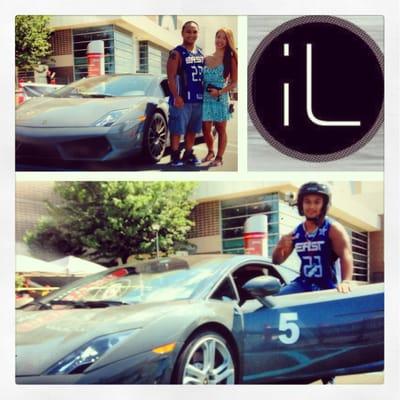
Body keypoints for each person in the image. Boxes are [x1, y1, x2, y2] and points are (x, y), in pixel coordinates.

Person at [272, 182, 354, 295]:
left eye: (317, 202)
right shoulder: (297, 232)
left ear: (324, 205)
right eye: (307, 202)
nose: (311, 206)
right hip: (303, 284)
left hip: (328, 286)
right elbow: (277, 261)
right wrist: (280, 246)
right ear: (301, 204)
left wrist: (346, 281)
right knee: (276, 301)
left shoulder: (333, 229)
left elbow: (346, 256)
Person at [167, 21, 204, 167]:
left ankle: (188, 153)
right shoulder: (176, 53)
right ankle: (175, 155)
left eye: (195, 32)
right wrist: (176, 96)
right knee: (177, 130)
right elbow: (170, 77)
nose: (192, 34)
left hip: (198, 99)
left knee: (192, 130)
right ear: (182, 33)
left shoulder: (201, 53)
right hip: (182, 99)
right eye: (188, 31)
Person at [201, 28, 238, 167]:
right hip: (206, 97)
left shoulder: (230, 59)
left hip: (220, 98)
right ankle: (210, 151)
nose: (220, 40)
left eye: (224, 38)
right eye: (218, 37)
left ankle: (219, 157)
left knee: (221, 129)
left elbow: (234, 83)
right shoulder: (206, 58)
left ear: (228, 41)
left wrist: (220, 92)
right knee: (205, 128)